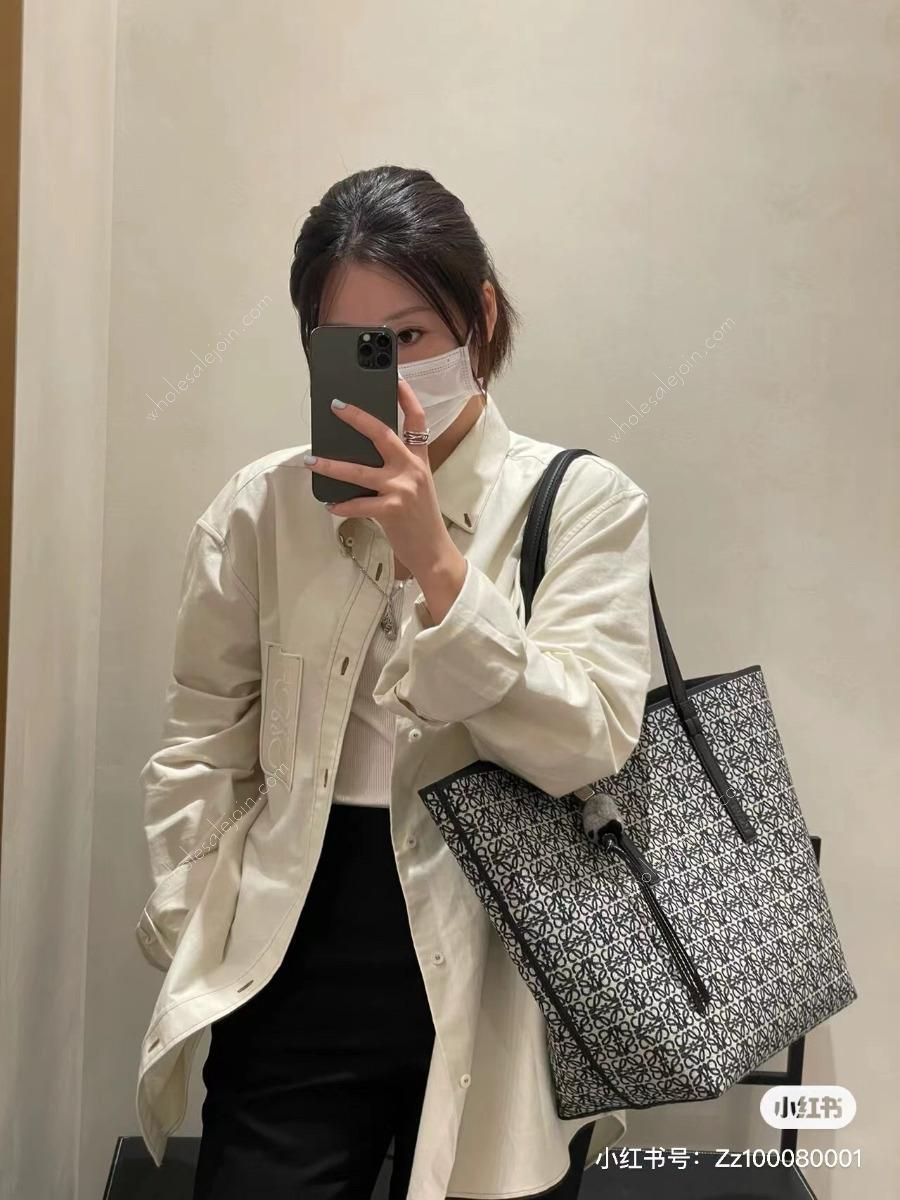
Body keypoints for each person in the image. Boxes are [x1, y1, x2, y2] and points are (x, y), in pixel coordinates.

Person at [134, 164, 652, 1200]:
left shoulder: (583, 503)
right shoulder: (261, 511)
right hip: (293, 939)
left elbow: (589, 742)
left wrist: (436, 560)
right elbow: (204, 732)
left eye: (410, 335)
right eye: (352, 346)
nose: (391, 371)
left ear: (481, 318)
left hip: (503, 950)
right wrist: (192, 913)